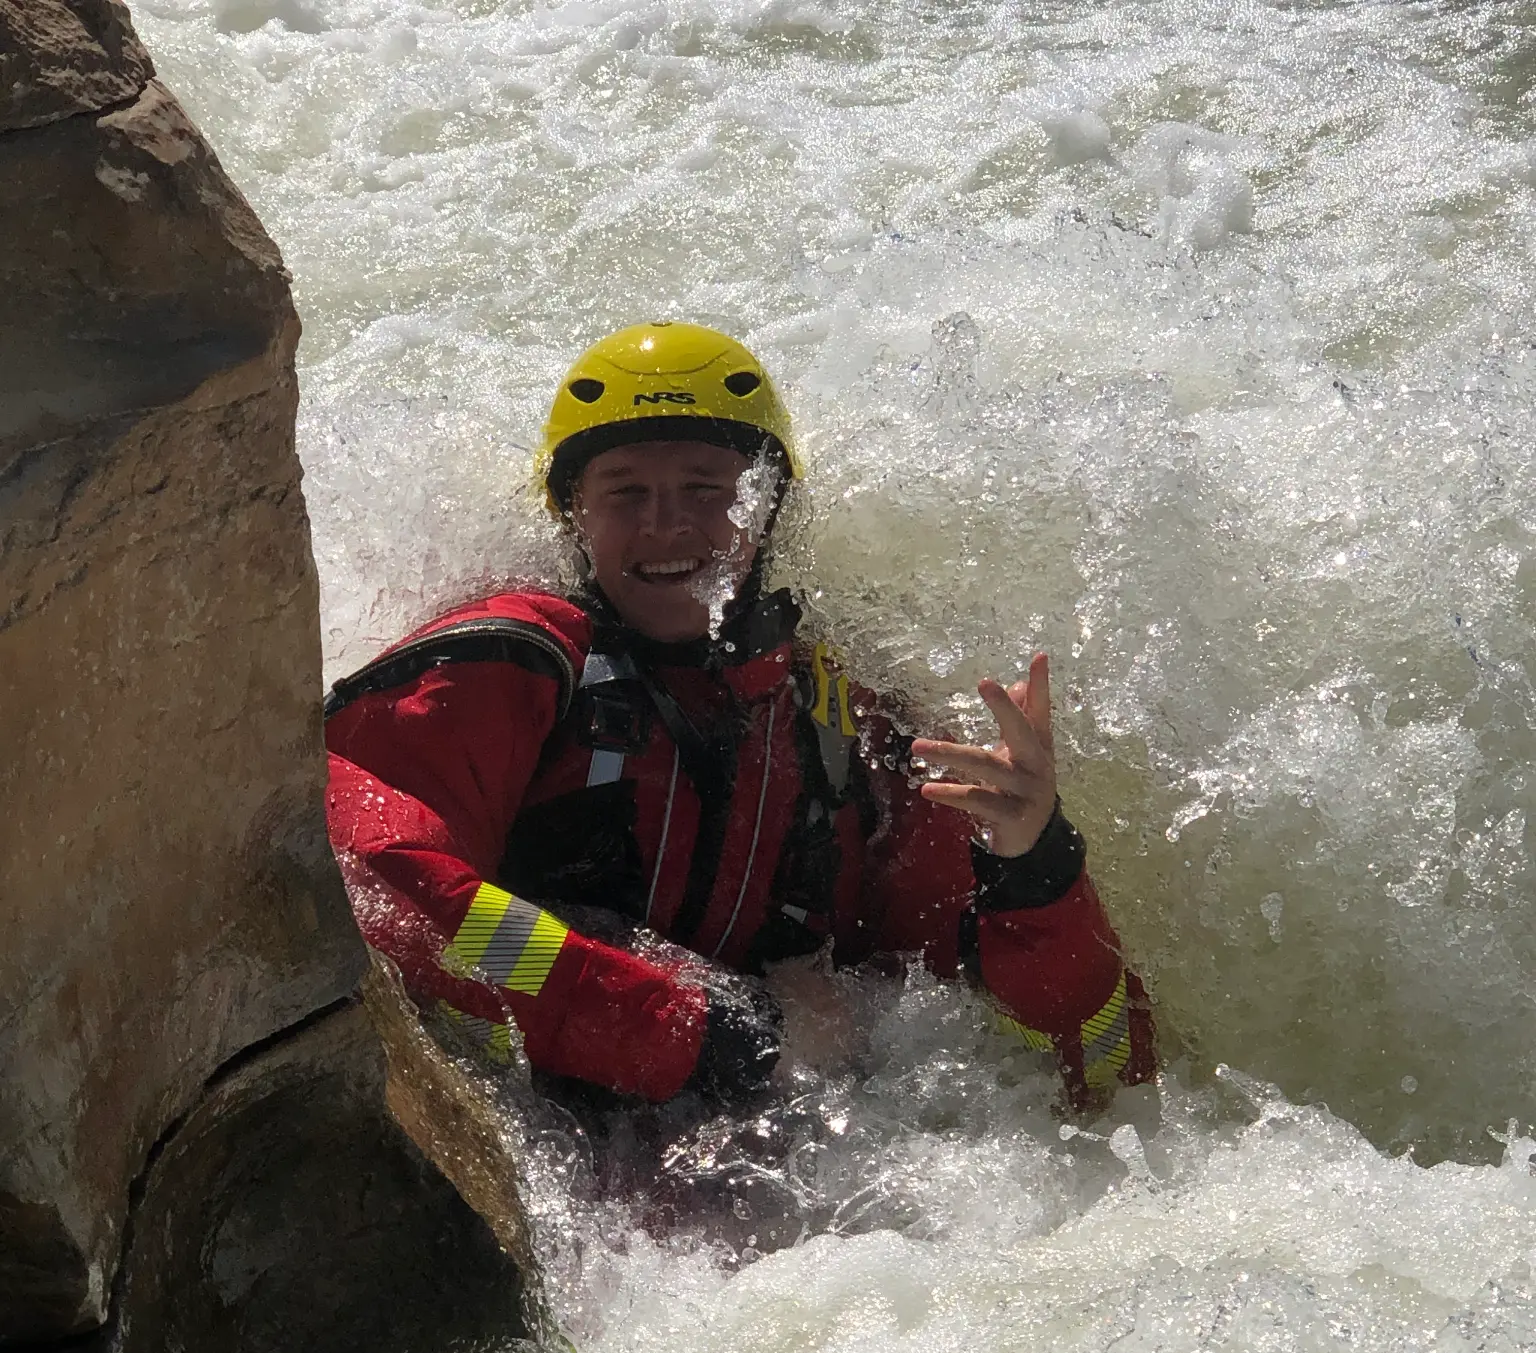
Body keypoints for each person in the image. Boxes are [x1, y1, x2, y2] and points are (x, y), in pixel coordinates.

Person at [324, 321, 1155, 1108]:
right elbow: (378, 883)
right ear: (574, 514)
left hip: (755, 1163)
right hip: (540, 1129)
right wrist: (714, 1035)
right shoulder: (510, 663)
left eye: (706, 489)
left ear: (765, 509)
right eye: (624, 492)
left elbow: (1102, 1073)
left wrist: (1036, 868)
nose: (666, 525)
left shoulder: (846, 717)